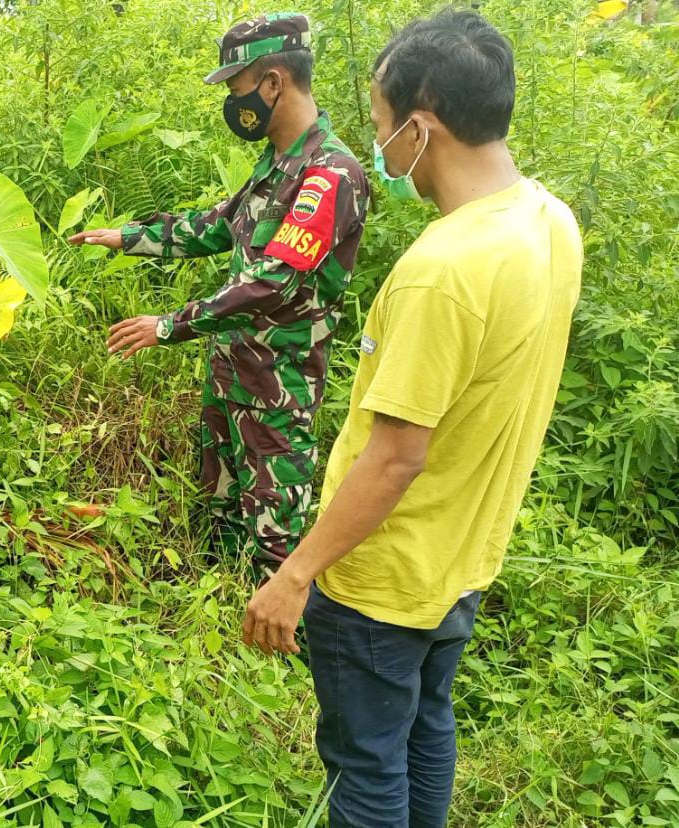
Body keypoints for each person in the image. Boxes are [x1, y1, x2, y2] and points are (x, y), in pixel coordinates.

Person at [240, 9, 583, 827]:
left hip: (381, 579)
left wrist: (296, 576)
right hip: (459, 557)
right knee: (425, 729)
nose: (380, 142)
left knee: (364, 770)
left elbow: (396, 458)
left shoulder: (443, 270)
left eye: (383, 123)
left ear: (423, 129)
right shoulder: (549, 222)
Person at [68, 13, 369, 577]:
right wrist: (129, 238)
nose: (234, 103)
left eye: (236, 89)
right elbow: (218, 224)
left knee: (274, 543)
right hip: (231, 374)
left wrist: (170, 324)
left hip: (276, 388)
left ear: (273, 82)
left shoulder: (330, 174)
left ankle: (278, 655)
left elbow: (271, 281)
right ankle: (217, 641)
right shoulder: (276, 165)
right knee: (221, 521)